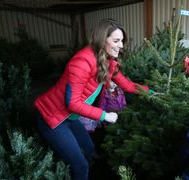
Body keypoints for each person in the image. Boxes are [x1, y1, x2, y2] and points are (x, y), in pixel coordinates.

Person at [34, 19, 153, 180]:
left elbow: (128, 85)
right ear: (102, 40)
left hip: (71, 117)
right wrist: (104, 115)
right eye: (116, 41)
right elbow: (72, 103)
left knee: (89, 147)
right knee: (80, 166)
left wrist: (151, 92)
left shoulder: (107, 62)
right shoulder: (82, 62)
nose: (122, 45)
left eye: (122, 41)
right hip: (54, 118)